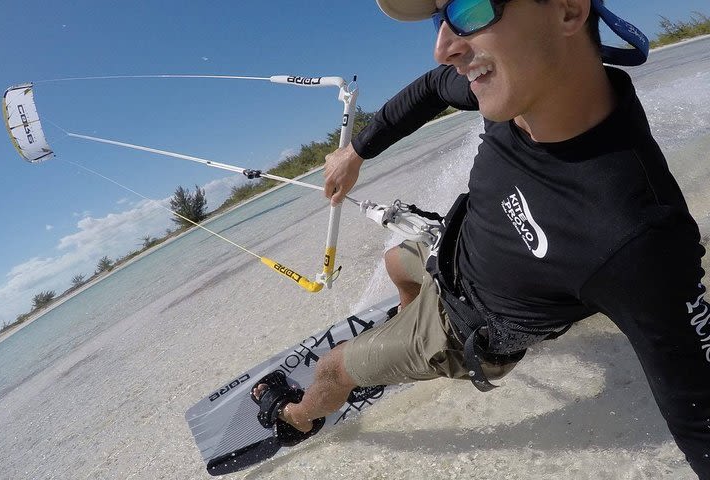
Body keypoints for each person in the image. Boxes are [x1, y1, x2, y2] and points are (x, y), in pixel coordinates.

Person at [252, 0, 710, 477]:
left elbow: (701, 424)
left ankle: (297, 419)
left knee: (330, 369)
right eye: (439, 20)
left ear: (569, 11)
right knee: (392, 259)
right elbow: (431, 88)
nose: (442, 48)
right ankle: (408, 316)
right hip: (449, 250)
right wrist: (355, 153)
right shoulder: (517, 90)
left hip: (465, 327)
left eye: (469, 9)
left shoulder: (634, 239)